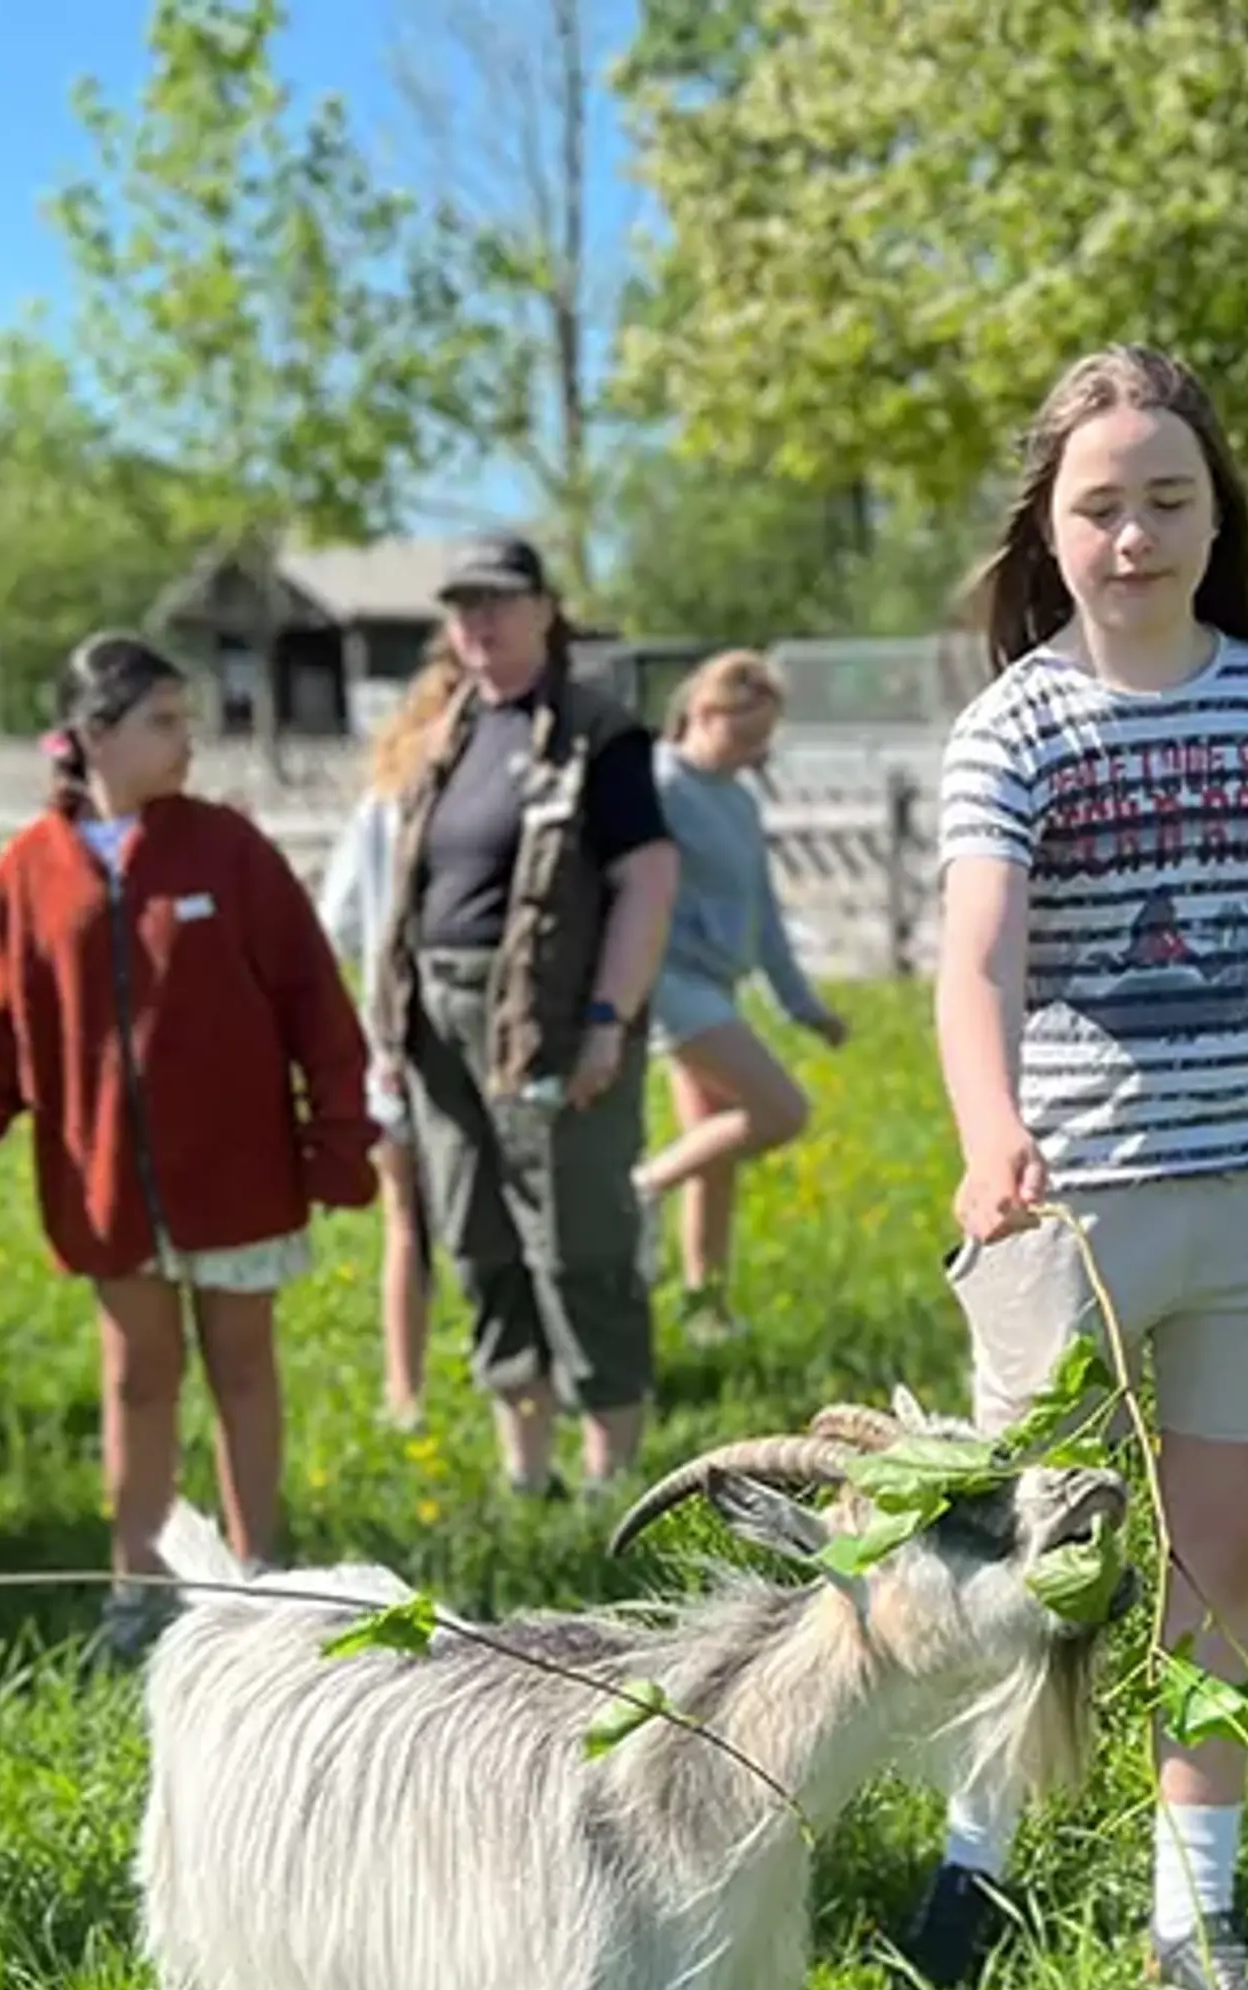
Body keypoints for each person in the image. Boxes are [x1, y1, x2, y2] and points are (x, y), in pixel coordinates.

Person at [896, 344, 1248, 1990]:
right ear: (1051, 524)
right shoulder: (1013, 726)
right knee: (1039, 1557)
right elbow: (977, 962)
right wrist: (989, 1133)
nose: (1134, 537)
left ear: (1212, 510)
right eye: (1101, 507)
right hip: (1072, 1211)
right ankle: (977, 1858)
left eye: (1168, 501)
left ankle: (1195, 1917)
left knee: (1219, 1573)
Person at [0, 631, 375, 1657]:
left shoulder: (230, 849)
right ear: (92, 735)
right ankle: (137, 1585)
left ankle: (261, 1584)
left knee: (244, 1367)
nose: (186, 739)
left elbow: (316, 1006)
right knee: (136, 1378)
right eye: (163, 720)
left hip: (241, 1179)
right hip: (105, 1192)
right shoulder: (26, 875)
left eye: (187, 719)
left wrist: (339, 1141)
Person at [362, 533, 681, 1500]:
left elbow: (648, 880)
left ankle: (609, 1473)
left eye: (498, 601)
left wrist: (603, 1020)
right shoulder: (447, 732)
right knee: (478, 1239)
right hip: (440, 1030)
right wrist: (388, 1037)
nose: (478, 621)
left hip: (548, 1023)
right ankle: (525, 1467)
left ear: (546, 609)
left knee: (577, 1240)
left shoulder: (598, 734)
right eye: (462, 605)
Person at [629, 648, 850, 1346]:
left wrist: (802, 1007)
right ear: (701, 711)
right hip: (667, 984)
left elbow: (766, 918)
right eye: (744, 734)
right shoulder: (658, 783)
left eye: (764, 739)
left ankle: (706, 1309)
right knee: (782, 1111)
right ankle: (637, 1191)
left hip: (715, 986)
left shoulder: (738, 799)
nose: (755, 752)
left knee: (716, 1160)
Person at [316, 647, 469, 1432]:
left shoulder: (378, 805)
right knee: (484, 1216)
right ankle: (510, 1380)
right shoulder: (461, 804)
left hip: (392, 1042)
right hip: (456, 1043)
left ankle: (403, 1391)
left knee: (406, 1223)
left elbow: (338, 920)